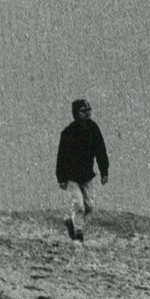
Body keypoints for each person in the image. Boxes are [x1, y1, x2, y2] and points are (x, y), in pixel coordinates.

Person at [55, 98, 109, 242]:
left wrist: (104, 171)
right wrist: (61, 178)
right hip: (72, 176)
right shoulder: (68, 132)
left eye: (89, 110)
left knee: (89, 206)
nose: (87, 113)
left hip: (87, 175)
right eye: (84, 111)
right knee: (78, 205)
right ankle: (78, 234)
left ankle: (71, 222)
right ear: (76, 113)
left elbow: (101, 150)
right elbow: (61, 156)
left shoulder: (93, 129)